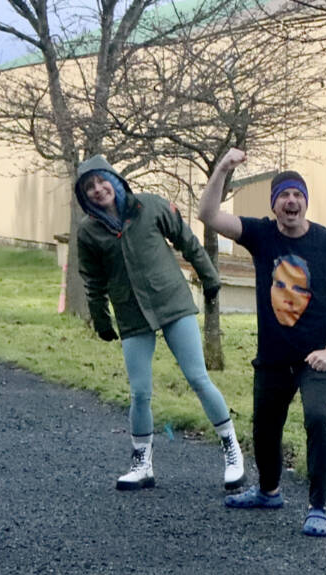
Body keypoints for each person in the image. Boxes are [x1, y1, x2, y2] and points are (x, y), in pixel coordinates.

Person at [198, 154, 326, 537]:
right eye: (283, 195)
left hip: (317, 357)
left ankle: (318, 507)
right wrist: (223, 168)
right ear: (273, 205)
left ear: (306, 201)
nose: (291, 201)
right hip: (274, 356)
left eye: (297, 195)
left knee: (317, 419)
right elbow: (207, 213)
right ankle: (269, 491)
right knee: (265, 427)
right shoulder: (261, 234)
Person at [74, 156, 245, 492]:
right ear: (84, 196)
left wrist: (209, 277)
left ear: (114, 179)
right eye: (89, 187)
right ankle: (142, 463)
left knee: (198, 378)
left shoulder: (149, 207)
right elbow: (92, 280)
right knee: (139, 392)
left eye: (101, 181)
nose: (98, 190)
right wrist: (101, 319)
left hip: (172, 303)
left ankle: (232, 452)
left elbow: (187, 240)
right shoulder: (88, 233)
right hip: (131, 312)